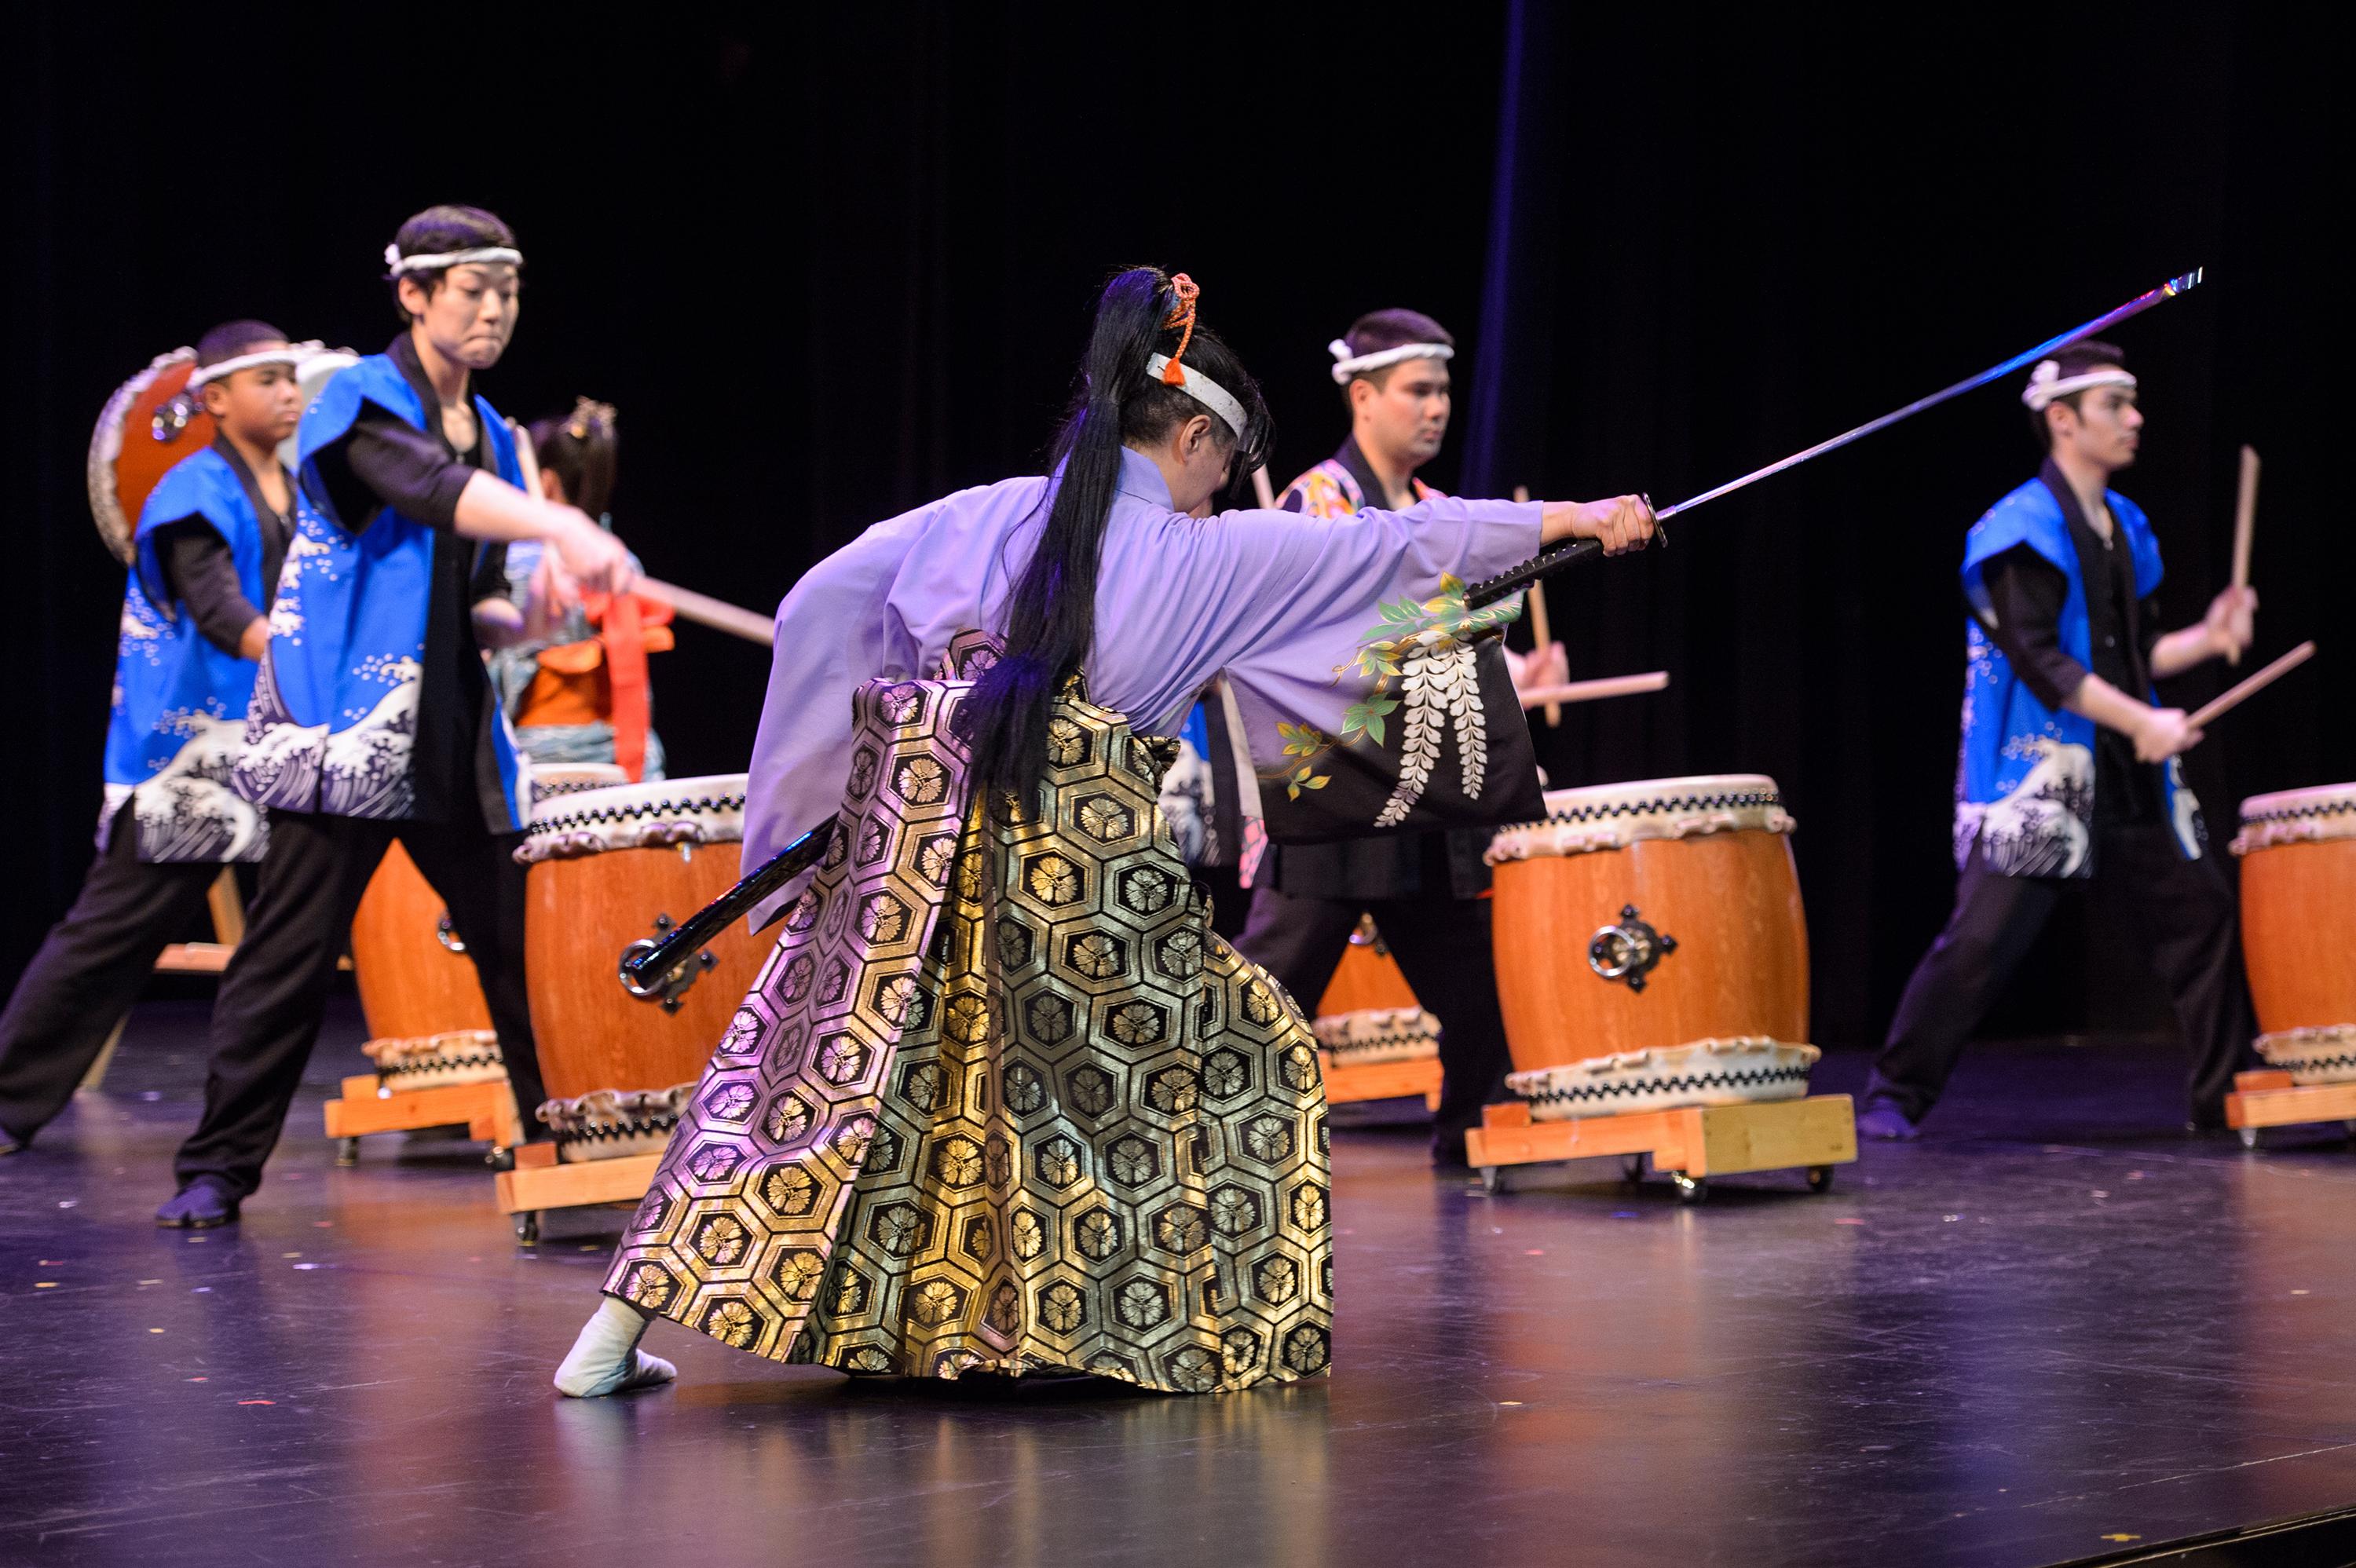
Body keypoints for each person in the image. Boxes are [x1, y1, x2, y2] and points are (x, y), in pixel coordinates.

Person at [552, 267, 1654, 1397]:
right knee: (1251, 1054)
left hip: (907, 878)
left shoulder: (980, 513)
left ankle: (610, 1341)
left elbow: (813, 610)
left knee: (809, 1082)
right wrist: (1580, 518)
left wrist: (834, 800)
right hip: (1077, 907)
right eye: (1221, 466)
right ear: (1187, 438)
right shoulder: (1215, 556)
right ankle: (1164, 1334)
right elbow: (1408, 549)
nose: (1221, 489)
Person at [155, 207, 635, 1226]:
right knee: (285, 963)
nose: (495, 310)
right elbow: (424, 489)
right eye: (473, 289)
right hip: (349, 734)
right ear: (414, 295)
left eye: (507, 291)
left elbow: (485, 604)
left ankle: (558, 1154)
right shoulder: (354, 404)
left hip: (455, 736)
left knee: (519, 961)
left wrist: (544, 607)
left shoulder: (499, 434)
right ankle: (217, 1169)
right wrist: (559, 520)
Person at [1859, 340, 2257, 1140]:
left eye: (2134, 403)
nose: (2136, 419)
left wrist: (2208, 640)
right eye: (2118, 405)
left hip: (2125, 760)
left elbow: (2134, 655)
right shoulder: (2018, 530)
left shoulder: (2127, 526)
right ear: (2063, 420)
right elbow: (2044, 663)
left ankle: (2221, 1100)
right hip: (2040, 768)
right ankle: (1894, 1093)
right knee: (1981, 943)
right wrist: (2145, 719)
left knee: (2203, 911)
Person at [1234, 309, 1564, 1167]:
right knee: (1264, 998)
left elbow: (1456, 650)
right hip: (1337, 802)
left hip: (1423, 807)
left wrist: (1521, 673)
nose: (1438, 406)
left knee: (1482, 1003)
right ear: (1365, 396)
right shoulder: (1317, 503)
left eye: (1445, 389)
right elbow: (1321, 644)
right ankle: (1201, 1142)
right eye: (1419, 390)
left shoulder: (1441, 512)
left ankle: (1472, 1145)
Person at [0, 323, 302, 1155]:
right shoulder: (191, 491)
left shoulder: (295, 486)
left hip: (283, 741)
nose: (287, 391)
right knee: (117, 928)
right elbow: (219, 609)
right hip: (191, 752)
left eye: (291, 377)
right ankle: (6, 1096)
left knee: (313, 917)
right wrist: (311, 654)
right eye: (267, 379)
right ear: (213, 399)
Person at [483, 399, 669, 780]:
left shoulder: (521, 563)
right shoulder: (622, 562)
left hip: (544, 760)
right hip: (623, 758)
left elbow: (498, 680)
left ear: (545, 483)